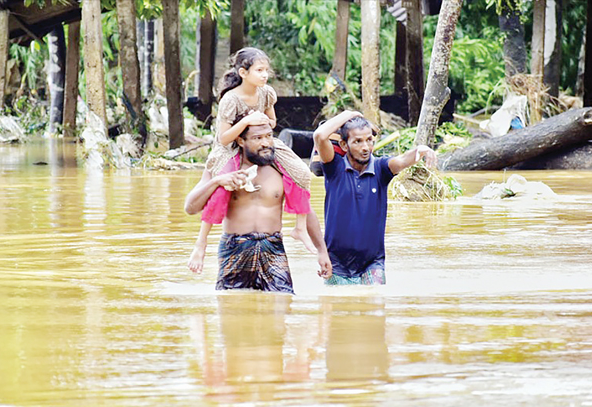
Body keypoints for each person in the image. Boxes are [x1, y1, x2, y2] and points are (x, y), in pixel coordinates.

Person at [188, 47, 316, 275]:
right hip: (230, 145)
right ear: (243, 72)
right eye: (259, 70)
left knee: (302, 173)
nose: (264, 74)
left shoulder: (266, 92)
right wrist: (247, 122)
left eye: (266, 70)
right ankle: (201, 241)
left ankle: (300, 227)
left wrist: (262, 125)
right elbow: (223, 137)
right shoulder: (231, 99)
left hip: (263, 140)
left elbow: (273, 122)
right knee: (222, 185)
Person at [184, 120, 332, 293]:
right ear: (241, 141)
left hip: (272, 246)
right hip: (235, 246)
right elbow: (190, 208)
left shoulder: (283, 169)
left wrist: (322, 251)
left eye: (269, 136)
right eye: (257, 138)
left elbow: (306, 209)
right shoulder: (224, 168)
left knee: (283, 301)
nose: (266, 143)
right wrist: (217, 181)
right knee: (231, 306)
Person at [312, 110, 437, 285]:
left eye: (369, 140)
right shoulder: (334, 168)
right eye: (357, 141)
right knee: (338, 309)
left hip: (372, 263)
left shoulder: (381, 168)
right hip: (336, 264)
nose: (365, 147)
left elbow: (401, 161)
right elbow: (319, 135)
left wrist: (420, 150)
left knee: (375, 306)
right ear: (344, 144)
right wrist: (349, 114)